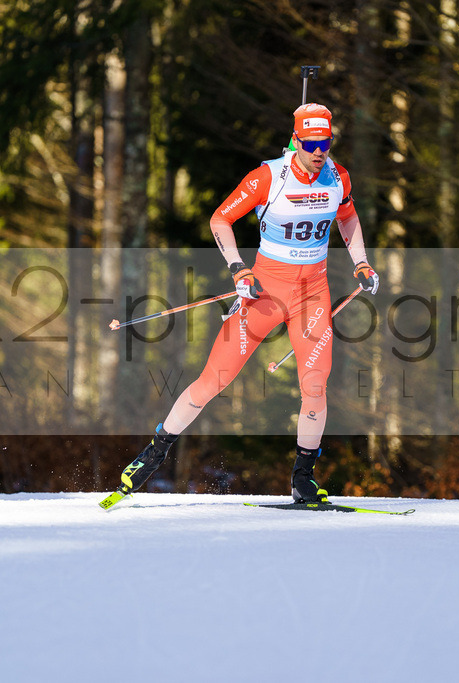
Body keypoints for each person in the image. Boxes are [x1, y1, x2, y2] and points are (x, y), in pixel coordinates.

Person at [116, 102, 379, 504]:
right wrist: (239, 269)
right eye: (311, 143)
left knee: (315, 384)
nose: (319, 150)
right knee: (214, 381)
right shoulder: (267, 177)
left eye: (325, 141)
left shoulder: (337, 177)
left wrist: (361, 261)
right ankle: (153, 453)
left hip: (313, 294)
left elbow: (348, 218)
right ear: (296, 140)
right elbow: (220, 219)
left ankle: (302, 478)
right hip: (266, 293)